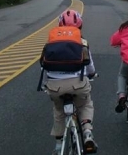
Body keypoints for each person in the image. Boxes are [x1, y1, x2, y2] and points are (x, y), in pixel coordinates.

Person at [42, 10, 98, 154]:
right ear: (80, 25)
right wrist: (92, 74)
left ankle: (58, 145)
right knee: (85, 104)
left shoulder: (51, 42)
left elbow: (44, 66)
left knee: (59, 110)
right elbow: (90, 67)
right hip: (78, 85)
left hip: (55, 87)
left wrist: (47, 82)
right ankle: (87, 132)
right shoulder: (82, 42)